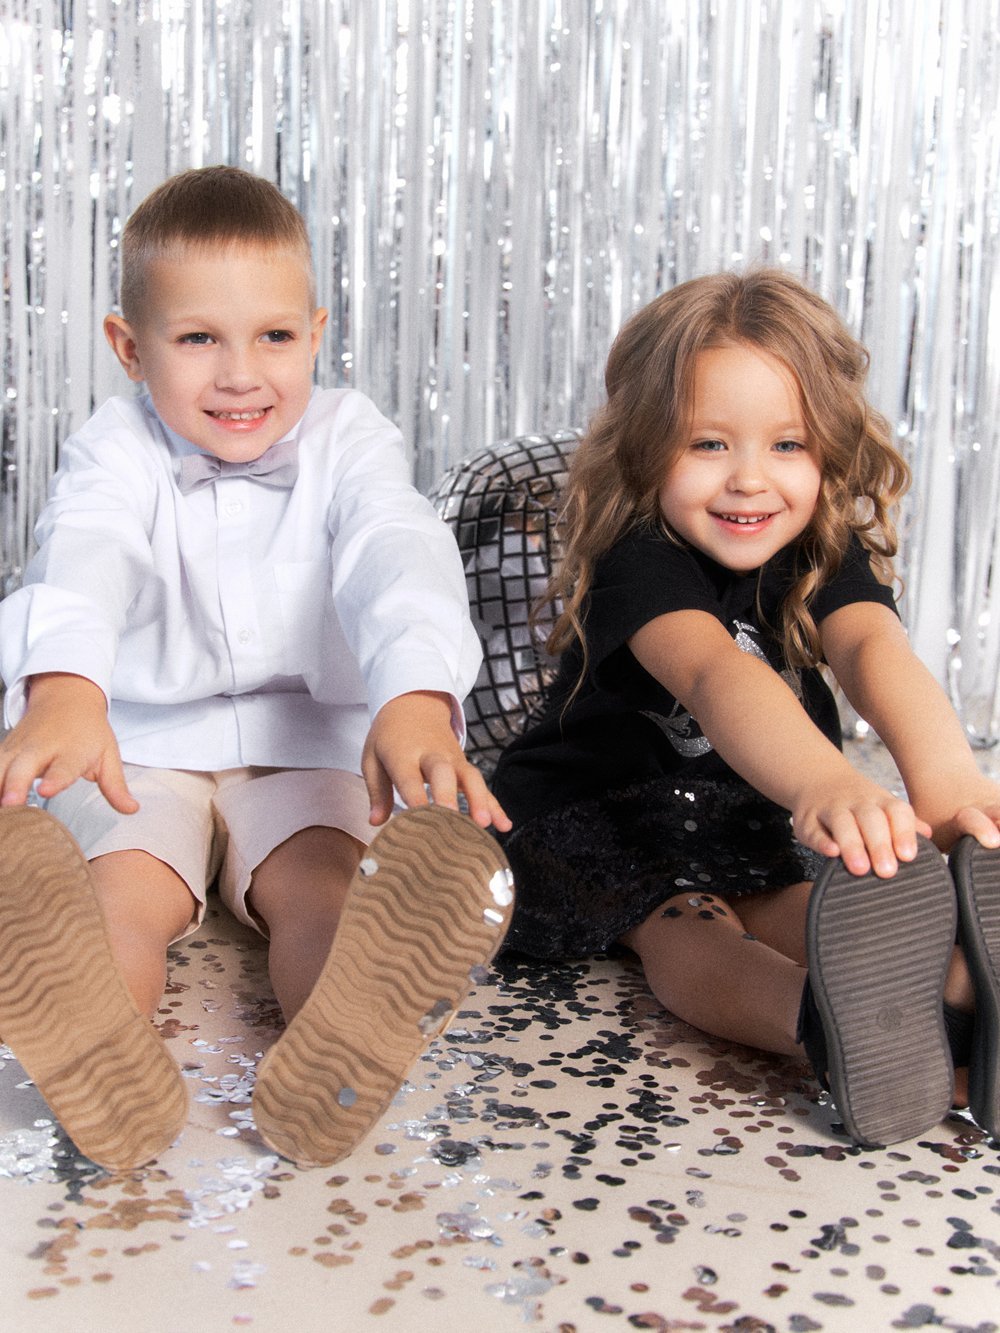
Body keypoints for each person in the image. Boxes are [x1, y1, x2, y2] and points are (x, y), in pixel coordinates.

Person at [0, 165, 513, 1172]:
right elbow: (85, 551)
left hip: (303, 743)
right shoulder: (114, 448)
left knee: (322, 891)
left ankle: (342, 1041)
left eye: (274, 336)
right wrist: (65, 689)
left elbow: (395, 550)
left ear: (315, 335)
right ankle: (98, 1047)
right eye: (199, 339)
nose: (241, 374)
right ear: (129, 348)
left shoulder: (349, 438)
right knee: (121, 893)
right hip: (140, 745)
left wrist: (414, 695)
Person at [491, 268, 1000, 1149]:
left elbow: (873, 650)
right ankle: (821, 1027)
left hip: (738, 814)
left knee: (809, 909)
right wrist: (825, 781)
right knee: (691, 922)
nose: (749, 481)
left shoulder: (819, 547)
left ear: (829, 448)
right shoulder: (637, 556)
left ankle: (962, 999)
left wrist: (952, 783)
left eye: (788, 444)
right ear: (645, 448)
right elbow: (714, 675)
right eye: (709, 444)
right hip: (600, 817)